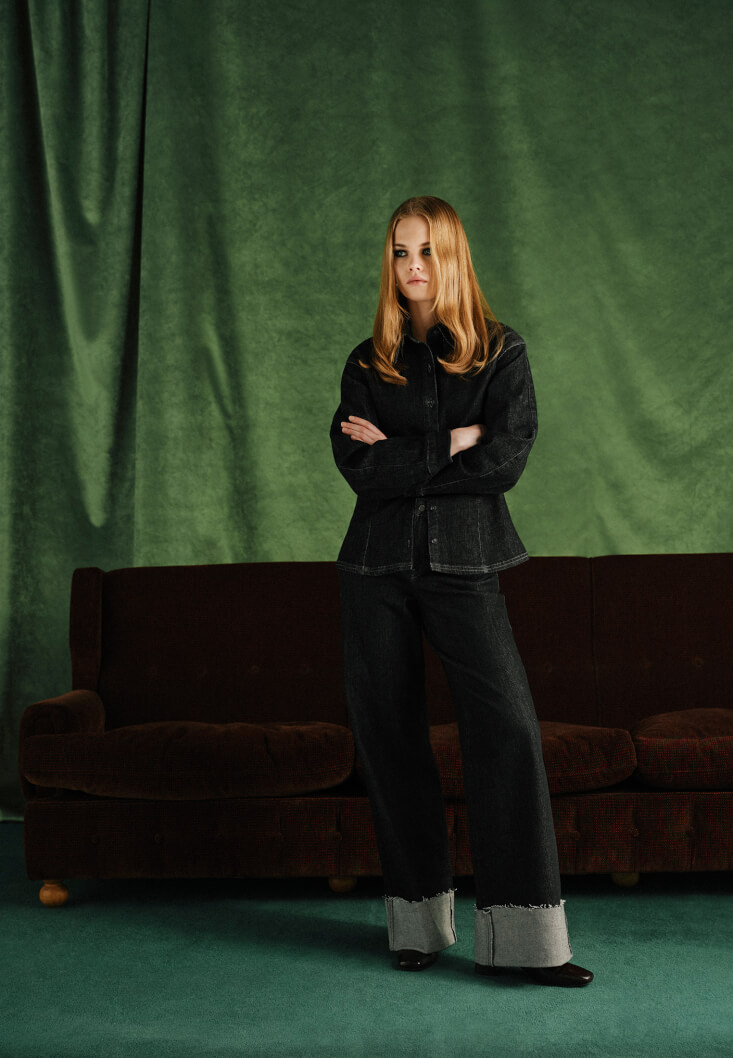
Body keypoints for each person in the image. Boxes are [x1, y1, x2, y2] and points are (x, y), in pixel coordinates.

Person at [329, 195, 593, 988]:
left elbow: (504, 459)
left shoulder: (501, 353)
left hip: (467, 566)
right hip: (373, 570)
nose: (412, 266)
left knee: (506, 730)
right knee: (391, 739)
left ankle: (526, 944)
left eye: (426, 251)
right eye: (399, 252)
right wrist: (449, 441)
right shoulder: (365, 363)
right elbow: (358, 469)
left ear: (452, 257)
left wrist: (406, 453)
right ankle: (416, 927)